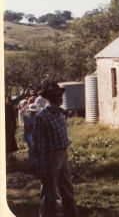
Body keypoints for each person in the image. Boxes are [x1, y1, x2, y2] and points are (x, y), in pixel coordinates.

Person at [33, 81, 79, 217]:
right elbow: (39, 145)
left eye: (60, 94)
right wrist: (42, 168)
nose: (60, 97)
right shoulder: (41, 117)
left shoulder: (60, 113)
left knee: (68, 191)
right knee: (49, 194)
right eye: (56, 95)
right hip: (50, 158)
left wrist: (64, 155)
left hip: (63, 155)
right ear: (49, 97)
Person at [23, 103, 39, 171]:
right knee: (32, 145)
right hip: (28, 134)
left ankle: (38, 161)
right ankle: (32, 163)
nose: (34, 112)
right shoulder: (26, 117)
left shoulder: (38, 116)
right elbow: (28, 129)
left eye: (35, 111)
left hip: (36, 133)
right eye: (32, 111)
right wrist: (35, 127)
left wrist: (33, 127)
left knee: (40, 145)